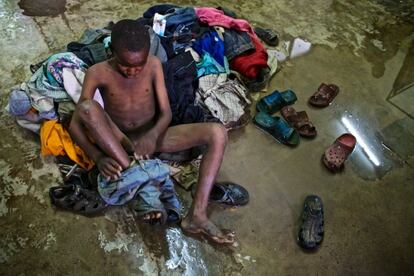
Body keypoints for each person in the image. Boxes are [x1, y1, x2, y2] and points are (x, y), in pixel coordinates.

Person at [69, 19, 234, 244]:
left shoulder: (154, 64)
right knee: (87, 107)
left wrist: (153, 136)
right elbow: (76, 124)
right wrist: (98, 157)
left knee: (217, 132)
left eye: (139, 65)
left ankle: (197, 215)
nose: (133, 72)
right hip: (120, 145)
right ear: (111, 51)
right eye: (126, 65)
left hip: (154, 139)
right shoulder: (97, 72)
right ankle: (138, 171)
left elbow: (165, 113)